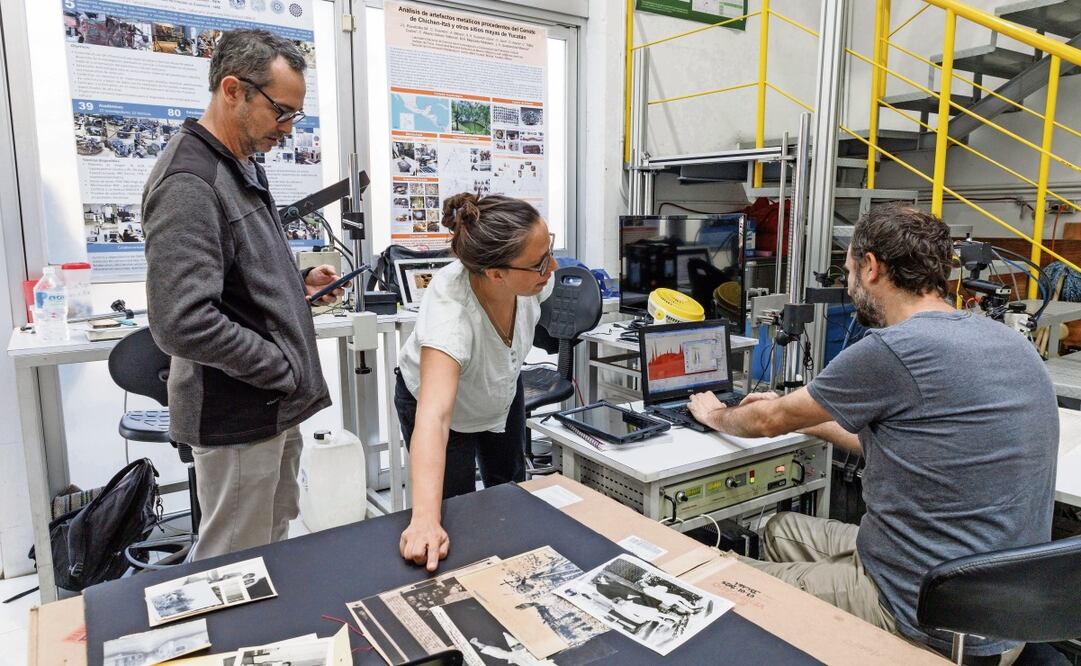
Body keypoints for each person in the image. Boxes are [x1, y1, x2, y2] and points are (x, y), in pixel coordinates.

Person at [687, 203, 1058, 664]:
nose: (847, 284)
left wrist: (716, 414)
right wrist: (814, 422)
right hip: (1002, 610)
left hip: (927, 617)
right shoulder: (1008, 341)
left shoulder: (894, 348)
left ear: (871, 267)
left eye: (847, 271)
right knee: (778, 529)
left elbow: (764, 423)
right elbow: (915, 447)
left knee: (718, 577)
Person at [143, 29, 344, 560]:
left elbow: (237, 284)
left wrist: (295, 292)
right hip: (238, 414)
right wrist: (277, 366)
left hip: (272, 407)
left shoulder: (241, 166)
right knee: (231, 564)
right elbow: (181, 320)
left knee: (272, 541)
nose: (287, 129)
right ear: (233, 90)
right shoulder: (191, 181)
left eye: (294, 116)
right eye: (281, 112)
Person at [395, 192, 555, 572]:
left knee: (509, 487)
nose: (552, 268)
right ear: (496, 273)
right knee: (455, 509)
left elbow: (538, 272)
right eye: (540, 263)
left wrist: (539, 264)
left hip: (500, 386)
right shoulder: (451, 315)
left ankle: (512, 566)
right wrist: (423, 521)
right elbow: (434, 417)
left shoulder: (530, 278)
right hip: (444, 408)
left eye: (549, 250)